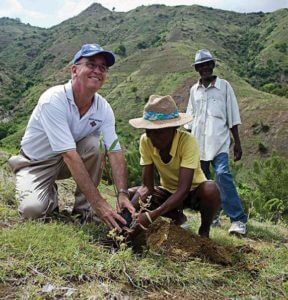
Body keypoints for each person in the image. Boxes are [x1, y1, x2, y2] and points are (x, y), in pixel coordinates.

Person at [8, 43, 135, 230]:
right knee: (33, 210)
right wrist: (101, 203)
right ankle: (48, 191)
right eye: (91, 65)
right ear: (74, 70)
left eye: (102, 68)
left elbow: (115, 151)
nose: (97, 71)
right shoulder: (54, 99)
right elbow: (69, 154)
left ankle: (84, 211)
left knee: (96, 145)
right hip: (37, 162)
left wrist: (122, 194)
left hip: (68, 161)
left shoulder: (103, 108)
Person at [128, 95, 221, 238]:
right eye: (148, 131)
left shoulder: (188, 142)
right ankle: (176, 216)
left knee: (211, 189)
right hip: (167, 192)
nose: (152, 137)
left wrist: (152, 215)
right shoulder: (146, 141)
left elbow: (183, 190)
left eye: (158, 132)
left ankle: (204, 231)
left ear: (174, 129)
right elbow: (147, 187)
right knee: (130, 195)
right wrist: (129, 211)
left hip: (192, 192)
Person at [185, 49, 248, 235]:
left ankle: (237, 220)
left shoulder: (224, 87)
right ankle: (212, 217)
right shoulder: (193, 90)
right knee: (203, 184)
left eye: (207, 64)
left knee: (222, 175)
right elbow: (190, 119)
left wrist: (237, 142)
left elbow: (232, 116)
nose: (205, 68)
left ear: (213, 65)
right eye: (201, 66)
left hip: (219, 142)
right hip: (198, 145)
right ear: (197, 69)